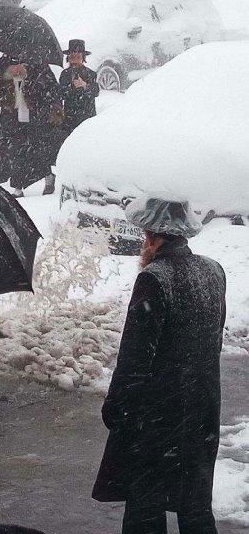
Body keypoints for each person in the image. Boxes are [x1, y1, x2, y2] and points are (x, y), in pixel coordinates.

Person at [93, 196, 226, 534]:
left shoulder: (154, 279)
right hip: (201, 416)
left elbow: (135, 359)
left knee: (145, 513)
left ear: (152, 237)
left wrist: (116, 407)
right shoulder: (214, 272)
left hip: (158, 421)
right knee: (196, 510)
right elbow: (211, 345)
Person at [0, 56, 63, 196]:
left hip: (35, 117)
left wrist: (31, 84)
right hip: (12, 117)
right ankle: (18, 188)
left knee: (37, 151)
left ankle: (48, 177)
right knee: (15, 152)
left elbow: (52, 89)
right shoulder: (4, 62)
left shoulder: (39, 65)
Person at [58, 39, 99, 138]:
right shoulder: (65, 74)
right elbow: (61, 93)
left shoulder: (91, 74)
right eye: (72, 57)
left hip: (87, 117)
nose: (75, 60)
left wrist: (85, 86)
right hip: (70, 118)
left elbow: (96, 91)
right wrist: (71, 87)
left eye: (78, 57)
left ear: (83, 58)